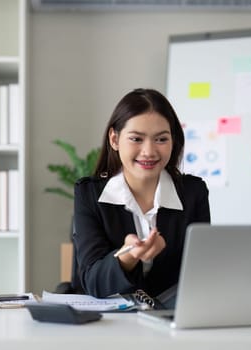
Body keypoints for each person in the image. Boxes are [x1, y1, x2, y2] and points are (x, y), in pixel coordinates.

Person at [73, 88, 210, 298]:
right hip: (110, 324)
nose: (149, 151)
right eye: (136, 139)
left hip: (173, 320)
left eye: (161, 139)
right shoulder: (89, 194)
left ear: (173, 141)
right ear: (114, 139)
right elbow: (93, 283)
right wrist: (128, 256)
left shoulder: (193, 192)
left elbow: (202, 273)